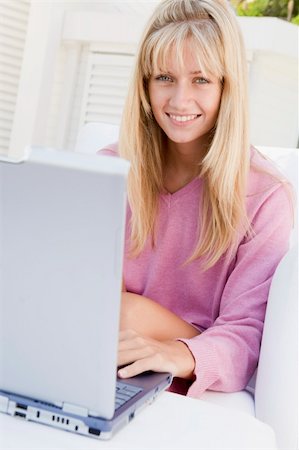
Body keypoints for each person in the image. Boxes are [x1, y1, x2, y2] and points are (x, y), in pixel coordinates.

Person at [100, 0, 293, 397]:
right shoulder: (109, 171)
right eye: (165, 77)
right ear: (145, 85)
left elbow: (245, 332)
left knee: (128, 312)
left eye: (201, 79)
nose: (179, 101)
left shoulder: (264, 196)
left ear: (227, 86)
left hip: (185, 372)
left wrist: (177, 353)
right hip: (105, 362)